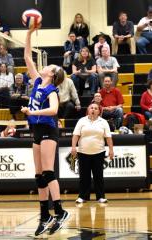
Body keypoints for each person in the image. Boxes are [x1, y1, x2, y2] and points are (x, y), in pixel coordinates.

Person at [21, 27, 69, 236]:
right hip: (37, 131)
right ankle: (44, 216)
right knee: (39, 176)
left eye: (49, 66)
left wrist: (32, 111)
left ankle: (59, 211)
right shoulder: (38, 82)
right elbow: (26, 57)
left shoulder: (52, 90)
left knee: (49, 172)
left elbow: (54, 110)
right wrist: (30, 33)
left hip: (49, 129)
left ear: (52, 74)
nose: (44, 66)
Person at [71, 102, 114, 204]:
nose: (93, 110)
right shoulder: (81, 121)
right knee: (84, 176)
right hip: (83, 152)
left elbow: (108, 137)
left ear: (99, 111)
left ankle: (100, 197)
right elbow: (75, 135)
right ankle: (82, 197)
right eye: (91, 108)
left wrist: (111, 150)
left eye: (96, 108)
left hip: (99, 152)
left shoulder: (103, 122)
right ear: (88, 110)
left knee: (98, 176)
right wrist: (73, 147)